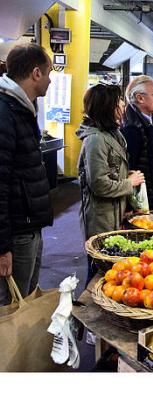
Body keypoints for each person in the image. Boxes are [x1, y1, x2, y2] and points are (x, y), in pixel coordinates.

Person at [0, 44, 54, 305]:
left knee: (27, 299)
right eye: (48, 72)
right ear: (35, 73)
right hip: (17, 231)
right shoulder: (6, 112)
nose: (50, 79)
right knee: (12, 306)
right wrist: (2, 247)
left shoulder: (22, 108)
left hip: (29, 225)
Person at [77, 84, 145, 283]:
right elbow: (98, 184)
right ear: (108, 106)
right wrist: (129, 183)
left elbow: (110, 170)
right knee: (100, 267)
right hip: (101, 217)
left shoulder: (112, 134)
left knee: (112, 267)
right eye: (119, 101)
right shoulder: (96, 139)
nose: (123, 105)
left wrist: (126, 175)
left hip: (114, 211)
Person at [121, 75, 153, 209]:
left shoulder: (149, 120)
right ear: (140, 98)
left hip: (149, 189)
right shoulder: (132, 128)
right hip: (139, 195)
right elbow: (129, 168)